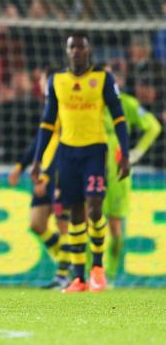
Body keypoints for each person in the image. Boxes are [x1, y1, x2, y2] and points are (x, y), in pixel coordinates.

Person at [31, 33, 130, 293]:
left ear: (89, 50)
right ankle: (79, 278)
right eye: (72, 46)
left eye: (81, 47)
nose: (76, 51)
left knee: (95, 208)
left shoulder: (103, 80)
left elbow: (119, 117)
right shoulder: (57, 82)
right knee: (75, 213)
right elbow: (47, 122)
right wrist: (37, 160)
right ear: (67, 51)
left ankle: (97, 269)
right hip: (67, 153)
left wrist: (126, 153)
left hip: (95, 151)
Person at [8, 69, 70, 290]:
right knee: (37, 223)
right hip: (46, 174)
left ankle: (65, 274)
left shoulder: (66, 109)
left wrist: (46, 176)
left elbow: (61, 147)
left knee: (64, 224)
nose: (42, 84)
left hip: (62, 173)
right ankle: (66, 263)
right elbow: (40, 142)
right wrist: (20, 166)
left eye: (44, 79)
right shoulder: (50, 107)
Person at [101, 71, 162, 282]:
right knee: (89, 221)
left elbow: (153, 126)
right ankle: (90, 273)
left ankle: (110, 274)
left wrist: (137, 152)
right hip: (90, 168)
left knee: (114, 225)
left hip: (118, 171)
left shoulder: (126, 103)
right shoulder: (89, 105)